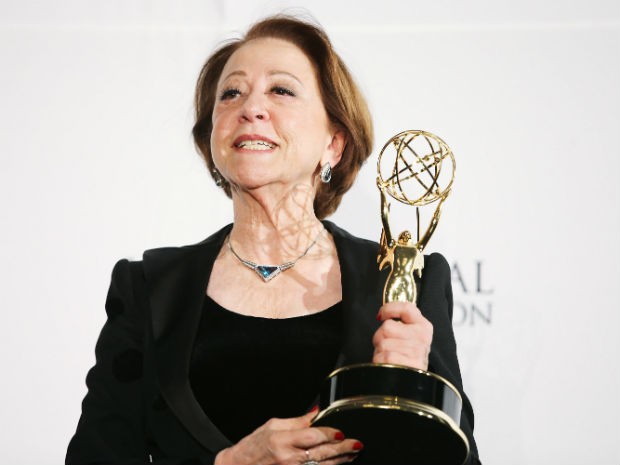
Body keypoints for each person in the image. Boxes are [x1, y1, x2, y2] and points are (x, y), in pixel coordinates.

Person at [66, 14, 481, 465]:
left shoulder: (405, 280)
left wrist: (418, 391)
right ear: (212, 139)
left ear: (334, 144)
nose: (251, 107)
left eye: (281, 90)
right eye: (231, 93)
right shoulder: (149, 287)